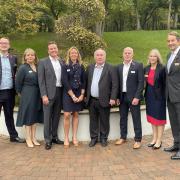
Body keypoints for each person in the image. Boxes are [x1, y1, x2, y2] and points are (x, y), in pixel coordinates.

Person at [85, 48, 118, 147]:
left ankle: (104, 138)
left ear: (105, 56)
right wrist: (86, 96)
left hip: (105, 100)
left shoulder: (111, 68)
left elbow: (115, 84)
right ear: (95, 57)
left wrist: (113, 98)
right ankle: (94, 138)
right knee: (93, 120)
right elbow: (87, 82)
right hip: (92, 100)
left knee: (104, 120)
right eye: (97, 55)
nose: (99, 57)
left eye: (101, 55)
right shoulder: (90, 67)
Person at [115, 47, 144, 149]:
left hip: (133, 98)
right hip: (122, 97)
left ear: (132, 54)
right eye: (125, 53)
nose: (127, 55)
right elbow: (117, 83)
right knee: (123, 118)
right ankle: (123, 137)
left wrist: (137, 97)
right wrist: (117, 97)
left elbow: (141, 82)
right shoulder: (118, 67)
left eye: (129, 53)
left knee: (136, 118)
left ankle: (138, 140)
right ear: (123, 54)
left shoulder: (138, 65)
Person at [38, 41, 64, 150]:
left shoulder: (61, 61)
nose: (53, 50)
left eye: (55, 48)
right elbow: (41, 80)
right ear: (48, 50)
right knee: (47, 118)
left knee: (56, 117)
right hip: (48, 94)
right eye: (51, 49)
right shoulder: (43, 62)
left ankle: (54, 137)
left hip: (60, 92)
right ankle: (47, 140)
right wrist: (43, 95)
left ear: (57, 49)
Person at [15, 48, 43, 148]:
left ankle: (34, 137)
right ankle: (28, 138)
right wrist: (20, 94)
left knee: (34, 116)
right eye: (28, 55)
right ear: (25, 57)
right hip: (27, 94)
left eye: (32, 55)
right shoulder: (23, 68)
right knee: (28, 116)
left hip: (37, 94)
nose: (30, 57)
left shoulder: (37, 66)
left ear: (35, 57)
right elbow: (18, 83)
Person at [0, 37, 24, 143]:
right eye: (2, 43)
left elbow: (15, 74)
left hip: (9, 91)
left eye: (6, 43)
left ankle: (13, 136)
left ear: (9, 45)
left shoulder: (13, 58)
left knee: (9, 115)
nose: (4, 45)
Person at [62, 47, 86, 148]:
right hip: (68, 93)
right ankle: (66, 138)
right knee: (67, 114)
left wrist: (82, 95)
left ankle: (74, 137)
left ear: (78, 54)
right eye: (72, 53)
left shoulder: (81, 66)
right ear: (69, 54)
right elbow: (65, 81)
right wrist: (72, 95)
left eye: (75, 53)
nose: (74, 54)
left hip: (78, 93)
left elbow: (84, 81)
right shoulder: (65, 66)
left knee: (76, 114)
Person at [144, 49, 166, 150]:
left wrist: (164, 96)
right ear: (149, 57)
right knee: (152, 118)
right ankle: (154, 138)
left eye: (154, 56)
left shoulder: (162, 68)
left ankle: (159, 140)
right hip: (149, 96)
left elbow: (165, 84)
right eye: (151, 56)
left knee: (159, 119)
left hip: (159, 97)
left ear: (158, 58)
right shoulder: (146, 68)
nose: (152, 58)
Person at [164, 31, 180, 160]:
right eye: (168, 41)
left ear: (178, 41)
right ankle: (176, 144)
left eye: (172, 40)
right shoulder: (169, 55)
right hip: (169, 95)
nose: (170, 43)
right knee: (174, 121)